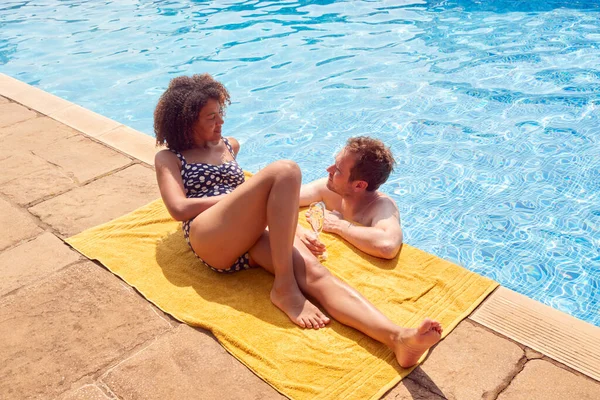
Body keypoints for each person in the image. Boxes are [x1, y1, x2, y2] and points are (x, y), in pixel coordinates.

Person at [153, 73, 442, 368]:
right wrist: (260, 205)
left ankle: (396, 338)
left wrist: (292, 226)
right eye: (211, 117)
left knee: (316, 273)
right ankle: (284, 286)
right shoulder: (170, 158)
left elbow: (251, 200)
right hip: (211, 237)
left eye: (220, 114)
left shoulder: (229, 145)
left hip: (250, 232)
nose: (220, 123)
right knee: (286, 170)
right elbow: (178, 208)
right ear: (187, 122)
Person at [297, 137, 403, 260]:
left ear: (359, 185)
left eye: (337, 169)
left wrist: (338, 225)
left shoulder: (383, 207)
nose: (328, 170)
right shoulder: (330, 189)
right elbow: (279, 197)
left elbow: (387, 246)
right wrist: (297, 231)